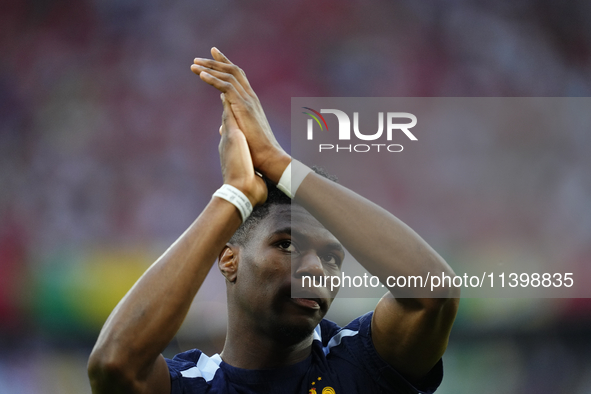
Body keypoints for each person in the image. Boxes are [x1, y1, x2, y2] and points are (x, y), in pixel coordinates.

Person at [87, 47, 460, 394]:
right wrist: (235, 195)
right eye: (288, 244)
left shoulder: (357, 366)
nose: (316, 269)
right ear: (229, 259)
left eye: (333, 258)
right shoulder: (191, 386)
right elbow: (114, 365)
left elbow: (434, 291)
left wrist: (276, 161)